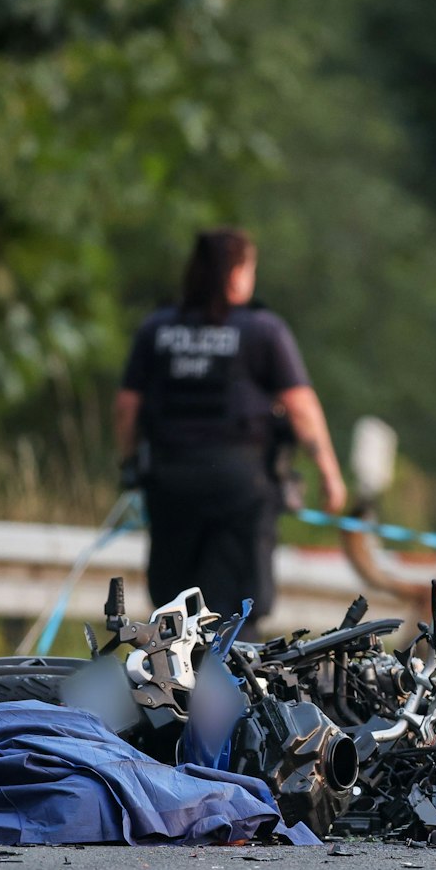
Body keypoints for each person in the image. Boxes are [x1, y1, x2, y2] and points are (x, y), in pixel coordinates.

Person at [113, 228, 347, 624]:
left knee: (172, 612)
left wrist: (130, 463)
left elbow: (126, 406)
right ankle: (228, 683)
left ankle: (173, 684)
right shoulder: (263, 329)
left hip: (170, 482)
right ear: (237, 273)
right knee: (237, 612)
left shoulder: (158, 327)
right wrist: (330, 474)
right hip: (241, 486)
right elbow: (300, 405)